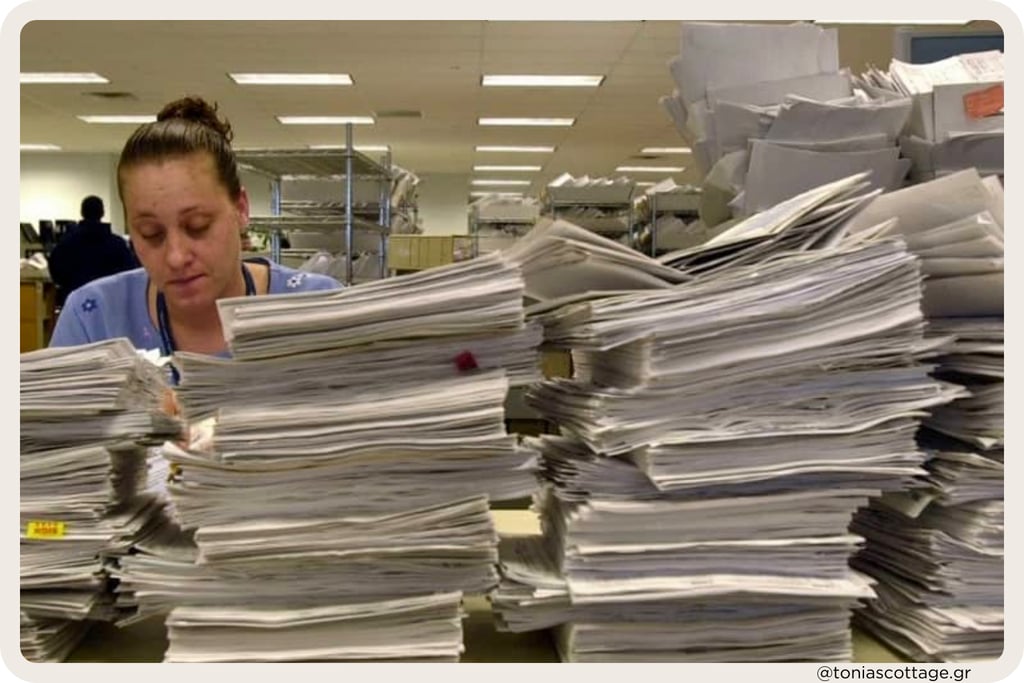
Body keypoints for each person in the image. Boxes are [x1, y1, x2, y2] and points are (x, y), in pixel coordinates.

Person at [49, 96, 341, 359]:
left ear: (241, 209)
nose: (176, 257)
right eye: (151, 234)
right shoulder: (93, 318)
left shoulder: (320, 309)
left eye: (198, 226)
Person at [47, 195, 138, 307]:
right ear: (102, 213)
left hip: (75, 303)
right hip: (109, 302)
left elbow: (56, 273)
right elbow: (129, 274)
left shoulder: (66, 244)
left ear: (82, 212)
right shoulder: (117, 244)